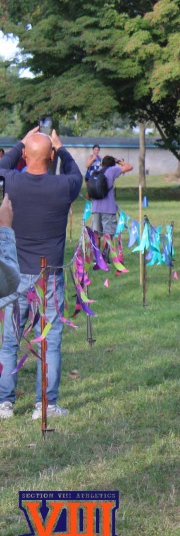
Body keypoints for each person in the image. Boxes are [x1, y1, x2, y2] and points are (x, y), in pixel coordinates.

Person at [0, 125, 83, 420]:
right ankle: (45, 405)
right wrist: (60, 147)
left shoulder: (11, 182)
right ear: (51, 157)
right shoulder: (64, 186)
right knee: (49, 340)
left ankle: (4, 404)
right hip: (48, 276)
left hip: (15, 275)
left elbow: (3, 165)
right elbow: (76, 173)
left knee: (10, 341)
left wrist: (21, 144)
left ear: (25, 155)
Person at [89, 155, 133, 237]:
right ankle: (105, 247)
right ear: (113, 164)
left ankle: (96, 246)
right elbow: (129, 167)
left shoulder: (96, 171)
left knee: (96, 235)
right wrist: (118, 161)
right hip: (108, 209)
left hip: (95, 208)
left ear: (102, 163)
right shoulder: (112, 170)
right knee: (108, 236)